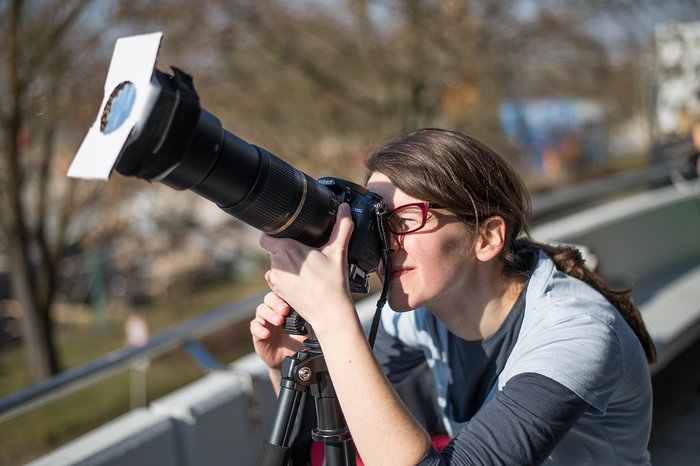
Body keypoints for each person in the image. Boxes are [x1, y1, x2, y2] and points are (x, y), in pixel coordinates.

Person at [250, 128, 656, 465]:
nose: (383, 243)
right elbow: (344, 414)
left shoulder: (573, 334)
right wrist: (296, 362)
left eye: (405, 221)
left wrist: (336, 322)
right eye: (374, 222)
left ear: (487, 237)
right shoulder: (424, 312)